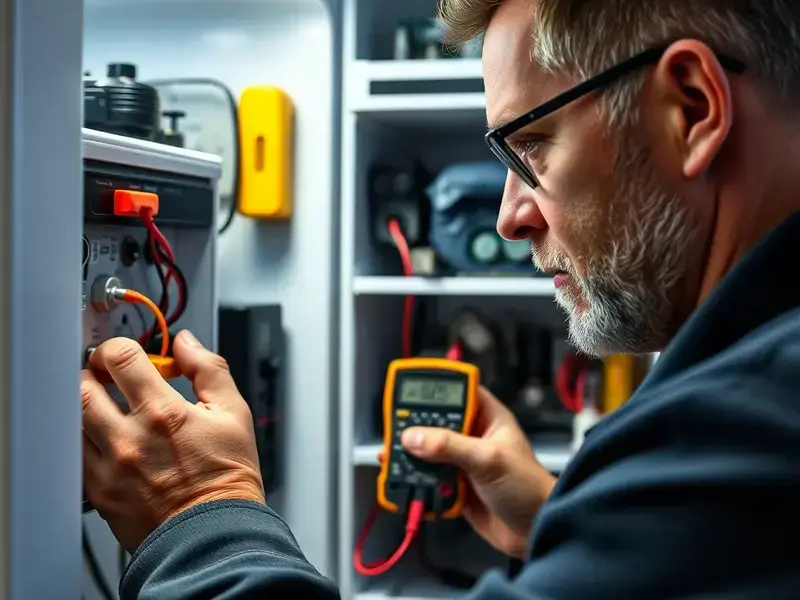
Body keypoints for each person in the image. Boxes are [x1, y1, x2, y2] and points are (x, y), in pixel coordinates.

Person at [82, 0, 800, 598]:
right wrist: (567, 527)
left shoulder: (748, 422)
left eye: (532, 146)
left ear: (693, 108)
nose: (510, 215)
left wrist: (201, 517)